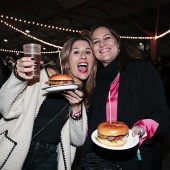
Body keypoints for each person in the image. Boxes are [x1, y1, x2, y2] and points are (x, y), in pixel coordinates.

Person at [0, 33, 97, 170]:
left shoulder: (86, 93)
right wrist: (17, 77)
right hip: (18, 146)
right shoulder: (42, 77)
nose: (83, 56)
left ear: (93, 62)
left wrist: (76, 109)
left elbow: (78, 140)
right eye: (76, 52)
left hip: (49, 155)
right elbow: (6, 109)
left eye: (88, 52)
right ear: (67, 63)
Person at [82, 23, 170, 170]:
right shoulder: (94, 82)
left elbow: (162, 114)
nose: (102, 44)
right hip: (99, 161)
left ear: (118, 42)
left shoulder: (142, 70)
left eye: (107, 38)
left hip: (135, 160)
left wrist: (142, 129)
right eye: (96, 42)